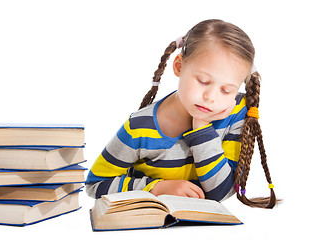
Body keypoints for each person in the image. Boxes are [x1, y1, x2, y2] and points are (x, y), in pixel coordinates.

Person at [86, 19, 277, 208]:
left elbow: (220, 192)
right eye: (203, 81)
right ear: (179, 66)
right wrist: (156, 188)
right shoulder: (139, 127)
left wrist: (202, 126)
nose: (210, 97)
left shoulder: (236, 112)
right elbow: (95, 184)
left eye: (226, 90)